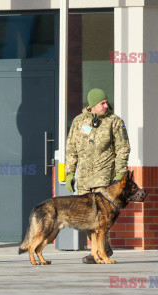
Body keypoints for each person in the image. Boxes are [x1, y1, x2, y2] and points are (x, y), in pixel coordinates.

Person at [65, 88, 130, 264]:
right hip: (84, 178)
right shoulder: (79, 122)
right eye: (102, 103)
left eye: (106, 102)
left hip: (104, 177)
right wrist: (69, 173)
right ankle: (102, 249)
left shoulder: (114, 121)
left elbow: (122, 147)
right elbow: (71, 148)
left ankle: (102, 251)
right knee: (87, 216)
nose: (106, 105)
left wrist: (121, 171)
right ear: (92, 105)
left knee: (102, 217)